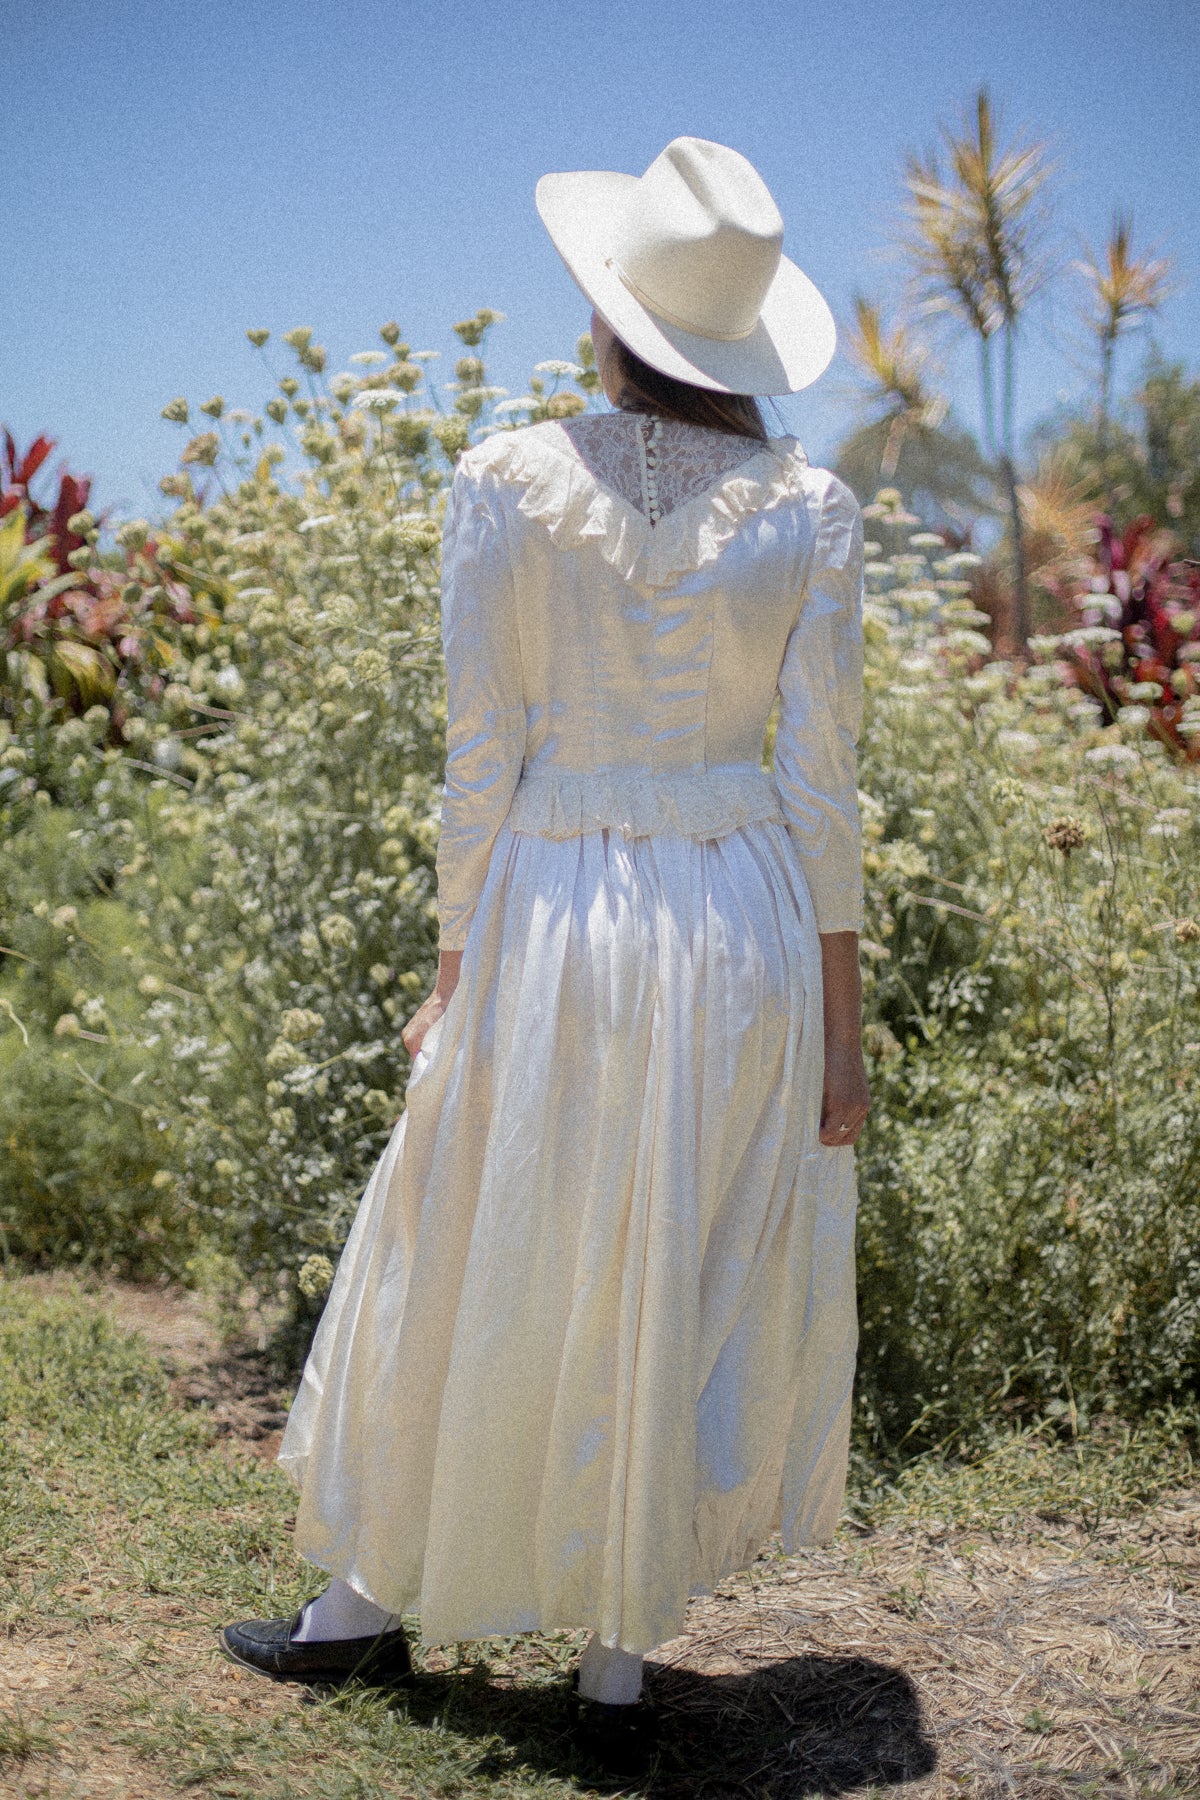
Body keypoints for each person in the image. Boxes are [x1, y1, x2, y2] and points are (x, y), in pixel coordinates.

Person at [221, 136, 871, 1774]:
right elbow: (822, 789)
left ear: (612, 313)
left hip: (555, 897)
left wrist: (453, 961)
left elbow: (480, 753)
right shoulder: (811, 510)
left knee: (470, 1228)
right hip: (739, 920)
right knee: (672, 1252)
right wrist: (844, 1026)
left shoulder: (510, 475)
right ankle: (612, 1672)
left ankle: (365, 1603)